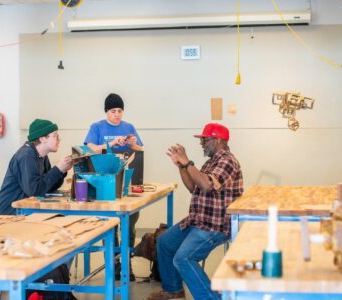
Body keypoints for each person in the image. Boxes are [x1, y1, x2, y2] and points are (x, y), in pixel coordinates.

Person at [148, 123, 243, 300]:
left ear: (218, 140)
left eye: (205, 140)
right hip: (198, 220)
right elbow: (193, 187)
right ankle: (173, 291)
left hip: (215, 226)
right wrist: (181, 166)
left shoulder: (227, 160)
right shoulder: (211, 161)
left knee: (183, 258)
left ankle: (210, 297)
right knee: (164, 242)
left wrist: (188, 162)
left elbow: (207, 185)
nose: (202, 144)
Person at [84, 93, 144, 281]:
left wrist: (133, 144)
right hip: (105, 185)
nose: (117, 115)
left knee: (130, 223)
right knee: (110, 225)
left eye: (120, 111)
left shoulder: (129, 127)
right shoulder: (97, 127)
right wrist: (110, 144)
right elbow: (88, 148)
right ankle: (114, 265)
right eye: (113, 111)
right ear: (106, 112)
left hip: (126, 182)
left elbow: (141, 150)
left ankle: (126, 264)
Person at [0, 119, 72, 215]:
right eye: (55, 136)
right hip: (11, 214)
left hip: (25, 211)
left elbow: (47, 187)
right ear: (42, 139)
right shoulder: (26, 155)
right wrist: (57, 169)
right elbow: (35, 191)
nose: (59, 139)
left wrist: (62, 170)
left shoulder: (42, 156)